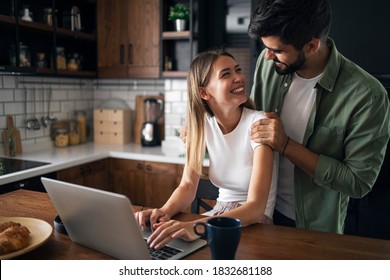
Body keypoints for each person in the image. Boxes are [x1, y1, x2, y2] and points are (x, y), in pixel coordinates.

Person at [247, 0, 390, 233]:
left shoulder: (368, 96)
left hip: (312, 228)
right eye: (266, 48)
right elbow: (251, 125)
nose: (267, 57)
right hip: (259, 212)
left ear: (312, 46)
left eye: (277, 50)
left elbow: (358, 182)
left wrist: (285, 145)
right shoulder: (269, 67)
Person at [135, 48, 278, 250]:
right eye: (226, 74)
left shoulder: (259, 124)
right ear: (204, 92)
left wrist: (195, 227)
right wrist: (163, 211)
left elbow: (256, 208)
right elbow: (187, 185)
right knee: (161, 248)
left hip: (253, 224)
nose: (239, 77)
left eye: (237, 70)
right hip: (217, 214)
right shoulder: (201, 125)